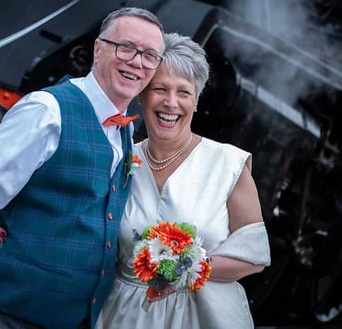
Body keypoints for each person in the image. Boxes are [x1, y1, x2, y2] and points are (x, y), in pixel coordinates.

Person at [0, 7, 165, 329]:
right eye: (126, 47)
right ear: (98, 49)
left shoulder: (127, 131)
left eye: (150, 56)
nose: (137, 62)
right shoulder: (46, 110)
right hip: (2, 313)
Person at [95, 32, 271, 329]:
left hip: (202, 318)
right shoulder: (119, 158)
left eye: (184, 92)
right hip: (121, 316)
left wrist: (184, 269)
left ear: (197, 100)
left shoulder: (228, 165)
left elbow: (253, 257)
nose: (170, 103)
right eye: (159, 89)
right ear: (142, 94)